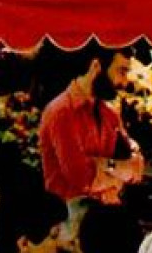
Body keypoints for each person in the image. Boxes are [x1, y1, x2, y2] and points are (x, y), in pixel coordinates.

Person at [37, 44, 144, 219]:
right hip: (69, 223)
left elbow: (137, 167)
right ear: (96, 66)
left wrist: (103, 164)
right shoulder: (61, 112)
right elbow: (82, 178)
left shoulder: (110, 114)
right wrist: (119, 173)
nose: (124, 83)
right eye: (121, 71)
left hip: (106, 217)